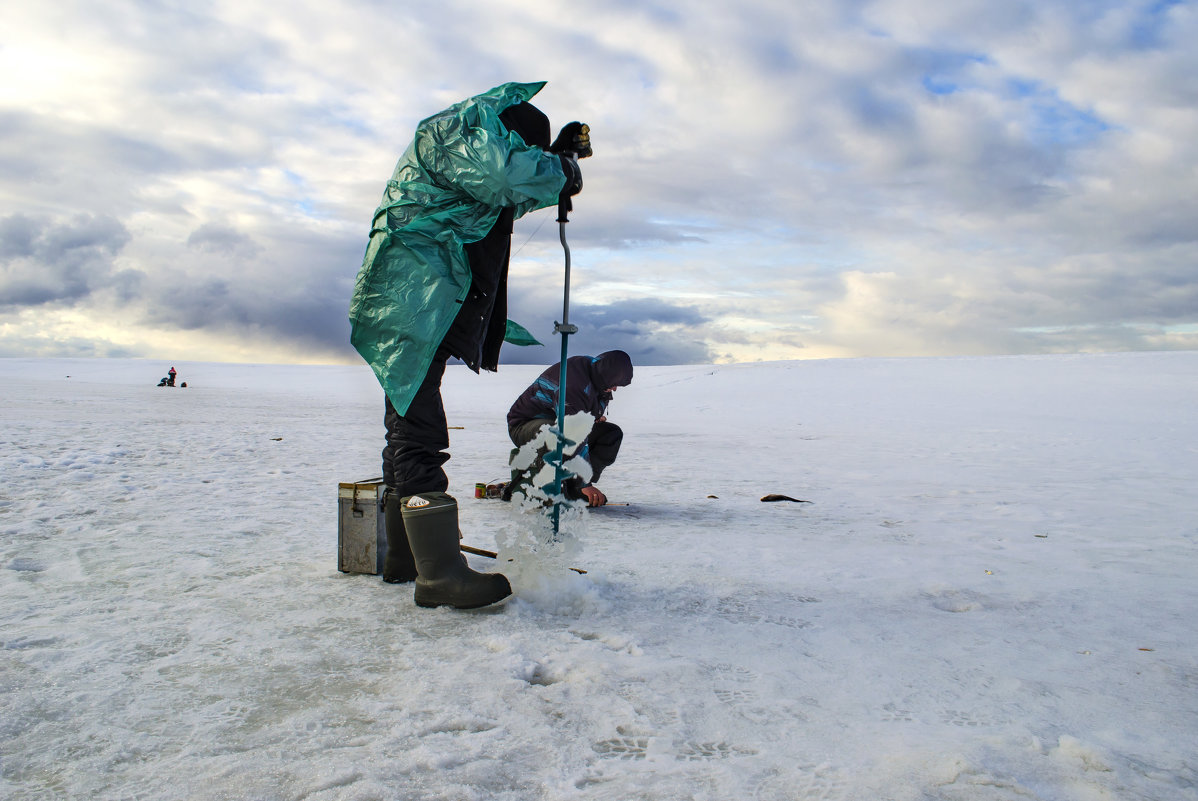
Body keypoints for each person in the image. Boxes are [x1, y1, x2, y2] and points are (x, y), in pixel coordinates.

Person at [349, 81, 592, 609]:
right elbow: (506, 173)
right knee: (418, 428)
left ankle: (406, 557)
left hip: (419, 291)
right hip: (411, 291)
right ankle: (436, 575)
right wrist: (558, 168)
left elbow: (511, 189)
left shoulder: (468, 148)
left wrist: (557, 166)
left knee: (408, 418)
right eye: (526, 145)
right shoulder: (458, 131)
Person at [506, 351, 633, 508]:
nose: (614, 389)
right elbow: (572, 431)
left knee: (610, 434)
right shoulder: (573, 384)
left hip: (556, 421)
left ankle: (574, 488)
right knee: (555, 434)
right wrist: (584, 482)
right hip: (524, 425)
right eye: (614, 384)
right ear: (606, 376)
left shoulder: (596, 374)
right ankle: (548, 488)